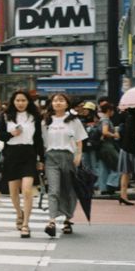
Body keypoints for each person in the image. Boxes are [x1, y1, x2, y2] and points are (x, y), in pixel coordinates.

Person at [0, 90, 44, 238]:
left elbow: (38, 139)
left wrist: (41, 159)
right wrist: (12, 134)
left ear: (28, 102)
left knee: (27, 189)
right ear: (13, 101)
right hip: (11, 154)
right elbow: (0, 136)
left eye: (23, 100)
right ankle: (19, 213)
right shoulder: (5, 116)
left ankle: (26, 224)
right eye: (18, 100)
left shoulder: (34, 117)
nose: (21, 103)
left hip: (28, 154)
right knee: (13, 192)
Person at [42, 93, 87, 237]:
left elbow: (79, 139)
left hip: (69, 157)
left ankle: (67, 220)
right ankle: (52, 221)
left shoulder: (73, 120)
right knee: (53, 190)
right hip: (51, 157)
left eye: (61, 100)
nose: (58, 103)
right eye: (55, 100)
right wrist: (40, 160)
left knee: (69, 190)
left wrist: (78, 155)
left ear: (67, 104)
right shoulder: (46, 121)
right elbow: (43, 143)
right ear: (51, 104)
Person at [117, 108, 135, 206]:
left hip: (125, 148)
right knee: (127, 173)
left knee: (125, 173)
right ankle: (123, 196)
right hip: (134, 150)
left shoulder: (127, 118)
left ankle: (123, 195)